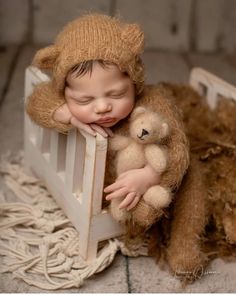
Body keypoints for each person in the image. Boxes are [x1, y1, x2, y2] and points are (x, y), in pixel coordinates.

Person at [26, 14, 208, 278]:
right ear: (65, 92)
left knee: (193, 177)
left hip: (156, 185)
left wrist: (150, 175)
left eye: (116, 94)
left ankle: (184, 242)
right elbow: (36, 100)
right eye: (84, 99)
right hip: (108, 193)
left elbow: (178, 148)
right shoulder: (63, 97)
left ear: (134, 83)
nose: (102, 107)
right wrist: (66, 113)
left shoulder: (154, 101)